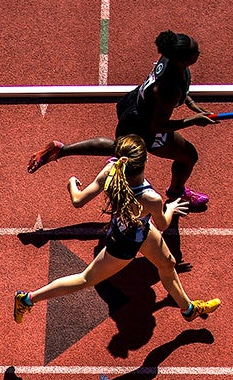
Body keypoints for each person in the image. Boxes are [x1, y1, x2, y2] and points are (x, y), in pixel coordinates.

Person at [13, 135, 220, 324]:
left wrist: (71, 184)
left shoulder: (111, 172)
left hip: (137, 229)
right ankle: (28, 298)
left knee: (168, 264)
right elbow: (164, 225)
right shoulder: (151, 198)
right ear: (144, 162)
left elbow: (78, 200)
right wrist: (171, 208)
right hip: (124, 246)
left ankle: (188, 309)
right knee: (85, 279)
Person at [28, 31, 215, 211]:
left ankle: (62, 150)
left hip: (134, 106)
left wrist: (194, 106)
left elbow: (183, 91)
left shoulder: (169, 61)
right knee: (188, 156)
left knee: (119, 146)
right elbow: (158, 126)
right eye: (194, 53)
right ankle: (175, 192)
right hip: (144, 124)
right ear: (182, 59)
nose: (199, 53)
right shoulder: (168, 90)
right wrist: (193, 120)